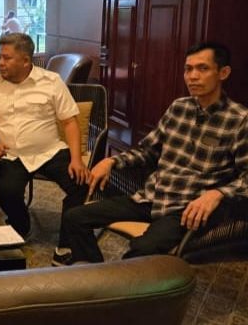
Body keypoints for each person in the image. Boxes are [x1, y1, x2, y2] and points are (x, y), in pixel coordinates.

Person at [63, 42, 248, 264]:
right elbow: (148, 152)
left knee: (140, 252)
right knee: (75, 218)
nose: (193, 76)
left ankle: (124, 283)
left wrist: (217, 193)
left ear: (223, 73)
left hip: (186, 209)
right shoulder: (179, 108)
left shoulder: (239, 120)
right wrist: (112, 161)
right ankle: (98, 276)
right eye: (188, 69)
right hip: (151, 197)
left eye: (203, 68)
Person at [0, 33, 89, 265]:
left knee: (79, 183)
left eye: (7, 58)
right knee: (6, 191)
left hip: (50, 151)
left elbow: (70, 123)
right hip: (12, 155)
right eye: (0, 57)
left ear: (26, 60)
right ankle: (21, 226)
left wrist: (76, 159)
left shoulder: (51, 81)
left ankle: (66, 243)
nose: (0, 63)